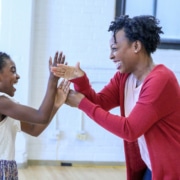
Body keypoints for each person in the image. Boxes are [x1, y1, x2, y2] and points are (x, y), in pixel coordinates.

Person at [51, 15, 180, 180]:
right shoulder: (124, 77)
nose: (111, 56)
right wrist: (79, 79)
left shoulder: (161, 80)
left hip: (172, 171)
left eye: (115, 48)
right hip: (151, 168)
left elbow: (130, 129)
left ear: (136, 46)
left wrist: (81, 103)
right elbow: (100, 103)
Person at [0, 51, 70, 179]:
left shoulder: (8, 107)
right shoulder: (2, 102)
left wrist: (55, 105)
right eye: (13, 71)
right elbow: (41, 116)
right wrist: (53, 79)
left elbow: (34, 129)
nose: (18, 76)